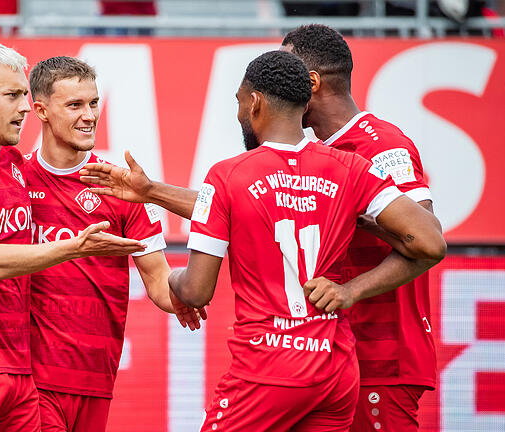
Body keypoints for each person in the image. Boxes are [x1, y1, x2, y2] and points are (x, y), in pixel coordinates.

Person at [82, 50, 446, 431]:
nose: (239, 112)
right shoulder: (349, 169)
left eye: (238, 101)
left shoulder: (228, 176)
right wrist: (346, 281)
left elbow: (196, 290)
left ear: (254, 102)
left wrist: (169, 282)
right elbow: (430, 242)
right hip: (336, 366)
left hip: (269, 365)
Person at [0, 55, 205, 432]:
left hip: (96, 378)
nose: (89, 116)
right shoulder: (15, 174)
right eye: (75, 105)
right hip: (33, 377)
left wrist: (186, 291)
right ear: (41, 110)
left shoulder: (121, 187)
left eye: (93, 103)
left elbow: (160, 284)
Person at [280, 24, 440, 432]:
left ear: (311, 82)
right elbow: (238, 208)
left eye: (285, 71)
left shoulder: (381, 146)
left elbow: (426, 241)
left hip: (382, 361)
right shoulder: (313, 153)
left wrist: (350, 290)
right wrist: (153, 192)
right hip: (331, 359)